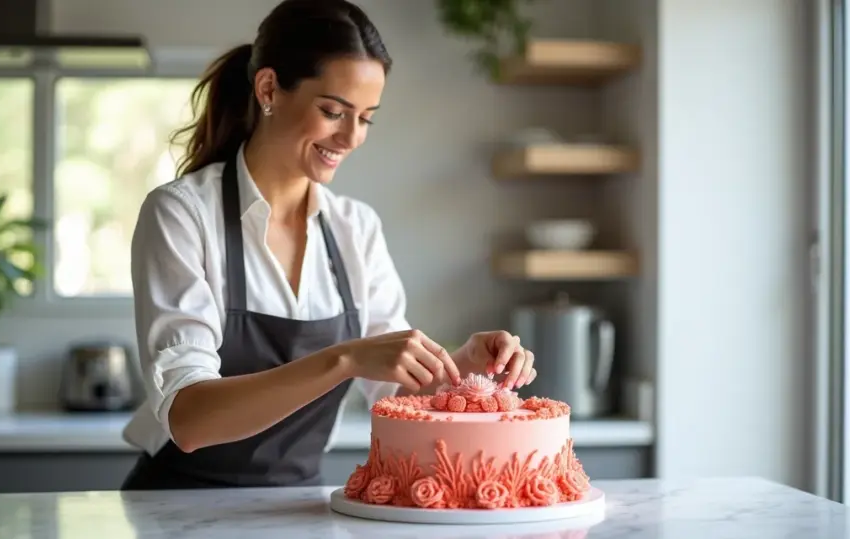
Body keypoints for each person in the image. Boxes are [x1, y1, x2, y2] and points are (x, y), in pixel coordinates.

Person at [119, 0, 537, 490]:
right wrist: (345, 358)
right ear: (269, 88)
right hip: (180, 508)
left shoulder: (354, 228)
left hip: (300, 504)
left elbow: (395, 388)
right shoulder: (183, 214)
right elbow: (189, 420)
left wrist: (465, 363)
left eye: (366, 118)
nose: (351, 136)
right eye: (333, 111)